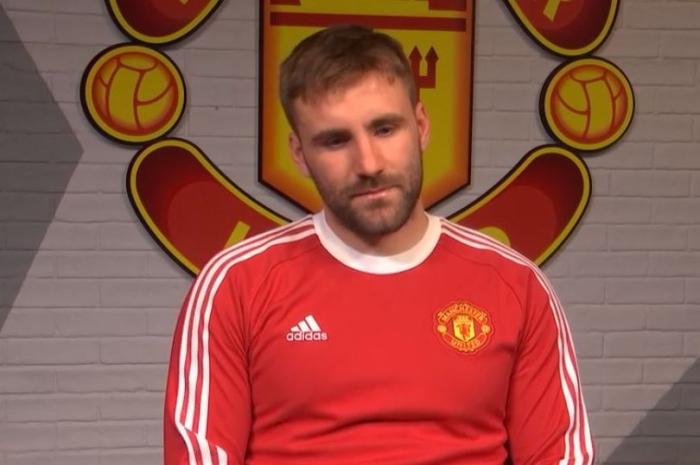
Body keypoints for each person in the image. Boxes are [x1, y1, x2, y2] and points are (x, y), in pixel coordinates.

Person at [164, 24, 594, 465]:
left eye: (385, 129)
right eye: (335, 140)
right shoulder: (236, 284)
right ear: (299, 154)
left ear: (421, 126)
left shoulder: (517, 286)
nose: (368, 164)